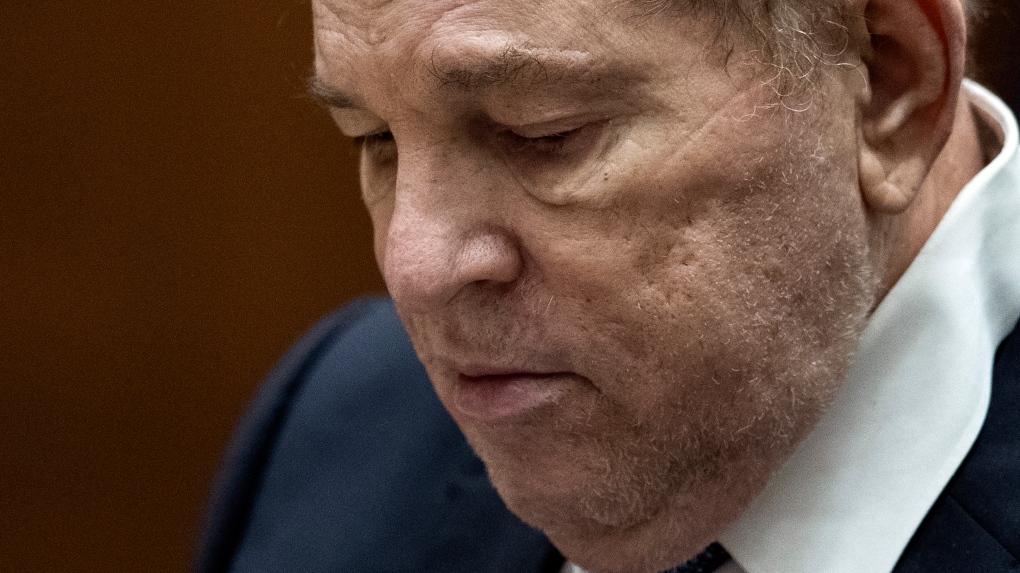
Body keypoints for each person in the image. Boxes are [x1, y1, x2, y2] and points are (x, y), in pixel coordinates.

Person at [198, 0, 1020, 571]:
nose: (412, 267)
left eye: (541, 133)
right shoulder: (338, 433)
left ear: (887, 83)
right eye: (372, 138)